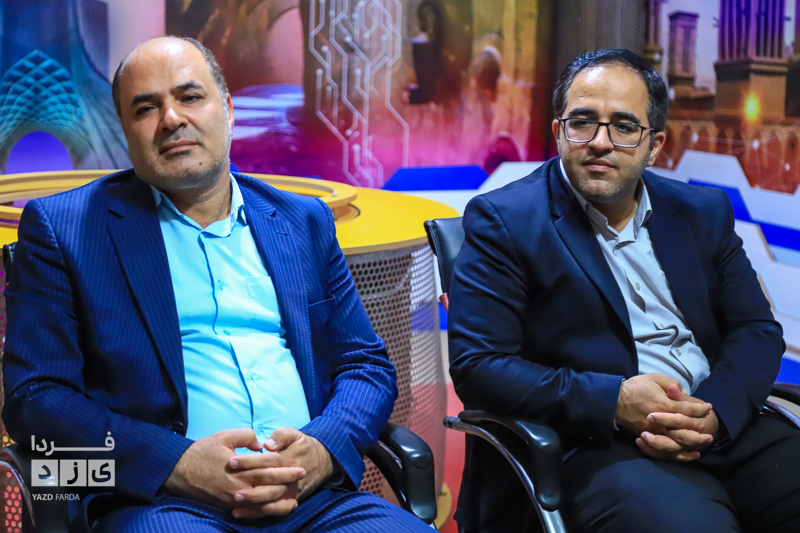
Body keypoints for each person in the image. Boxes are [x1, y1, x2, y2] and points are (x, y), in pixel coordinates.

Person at [2, 36, 432, 533]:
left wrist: (321, 450)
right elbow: (35, 397)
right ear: (125, 128)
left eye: (190, 96)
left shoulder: (302, 221)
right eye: (146, 108)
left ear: (227, 108)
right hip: (162, 502)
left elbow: (365, 365)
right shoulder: (66, 229)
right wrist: (177, 464)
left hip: (316, 499)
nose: (171, 119)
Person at [447, 48, 800, 533]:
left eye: (624, 126)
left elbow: (755, 328)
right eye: (582, 122)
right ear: (558, 131)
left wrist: (716, 412)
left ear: (654, 145)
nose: (600, 142)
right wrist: (614, 400)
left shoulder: (702, 211)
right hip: (598, 444)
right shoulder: (504, 221)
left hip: (717, 423)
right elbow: (479, 366)